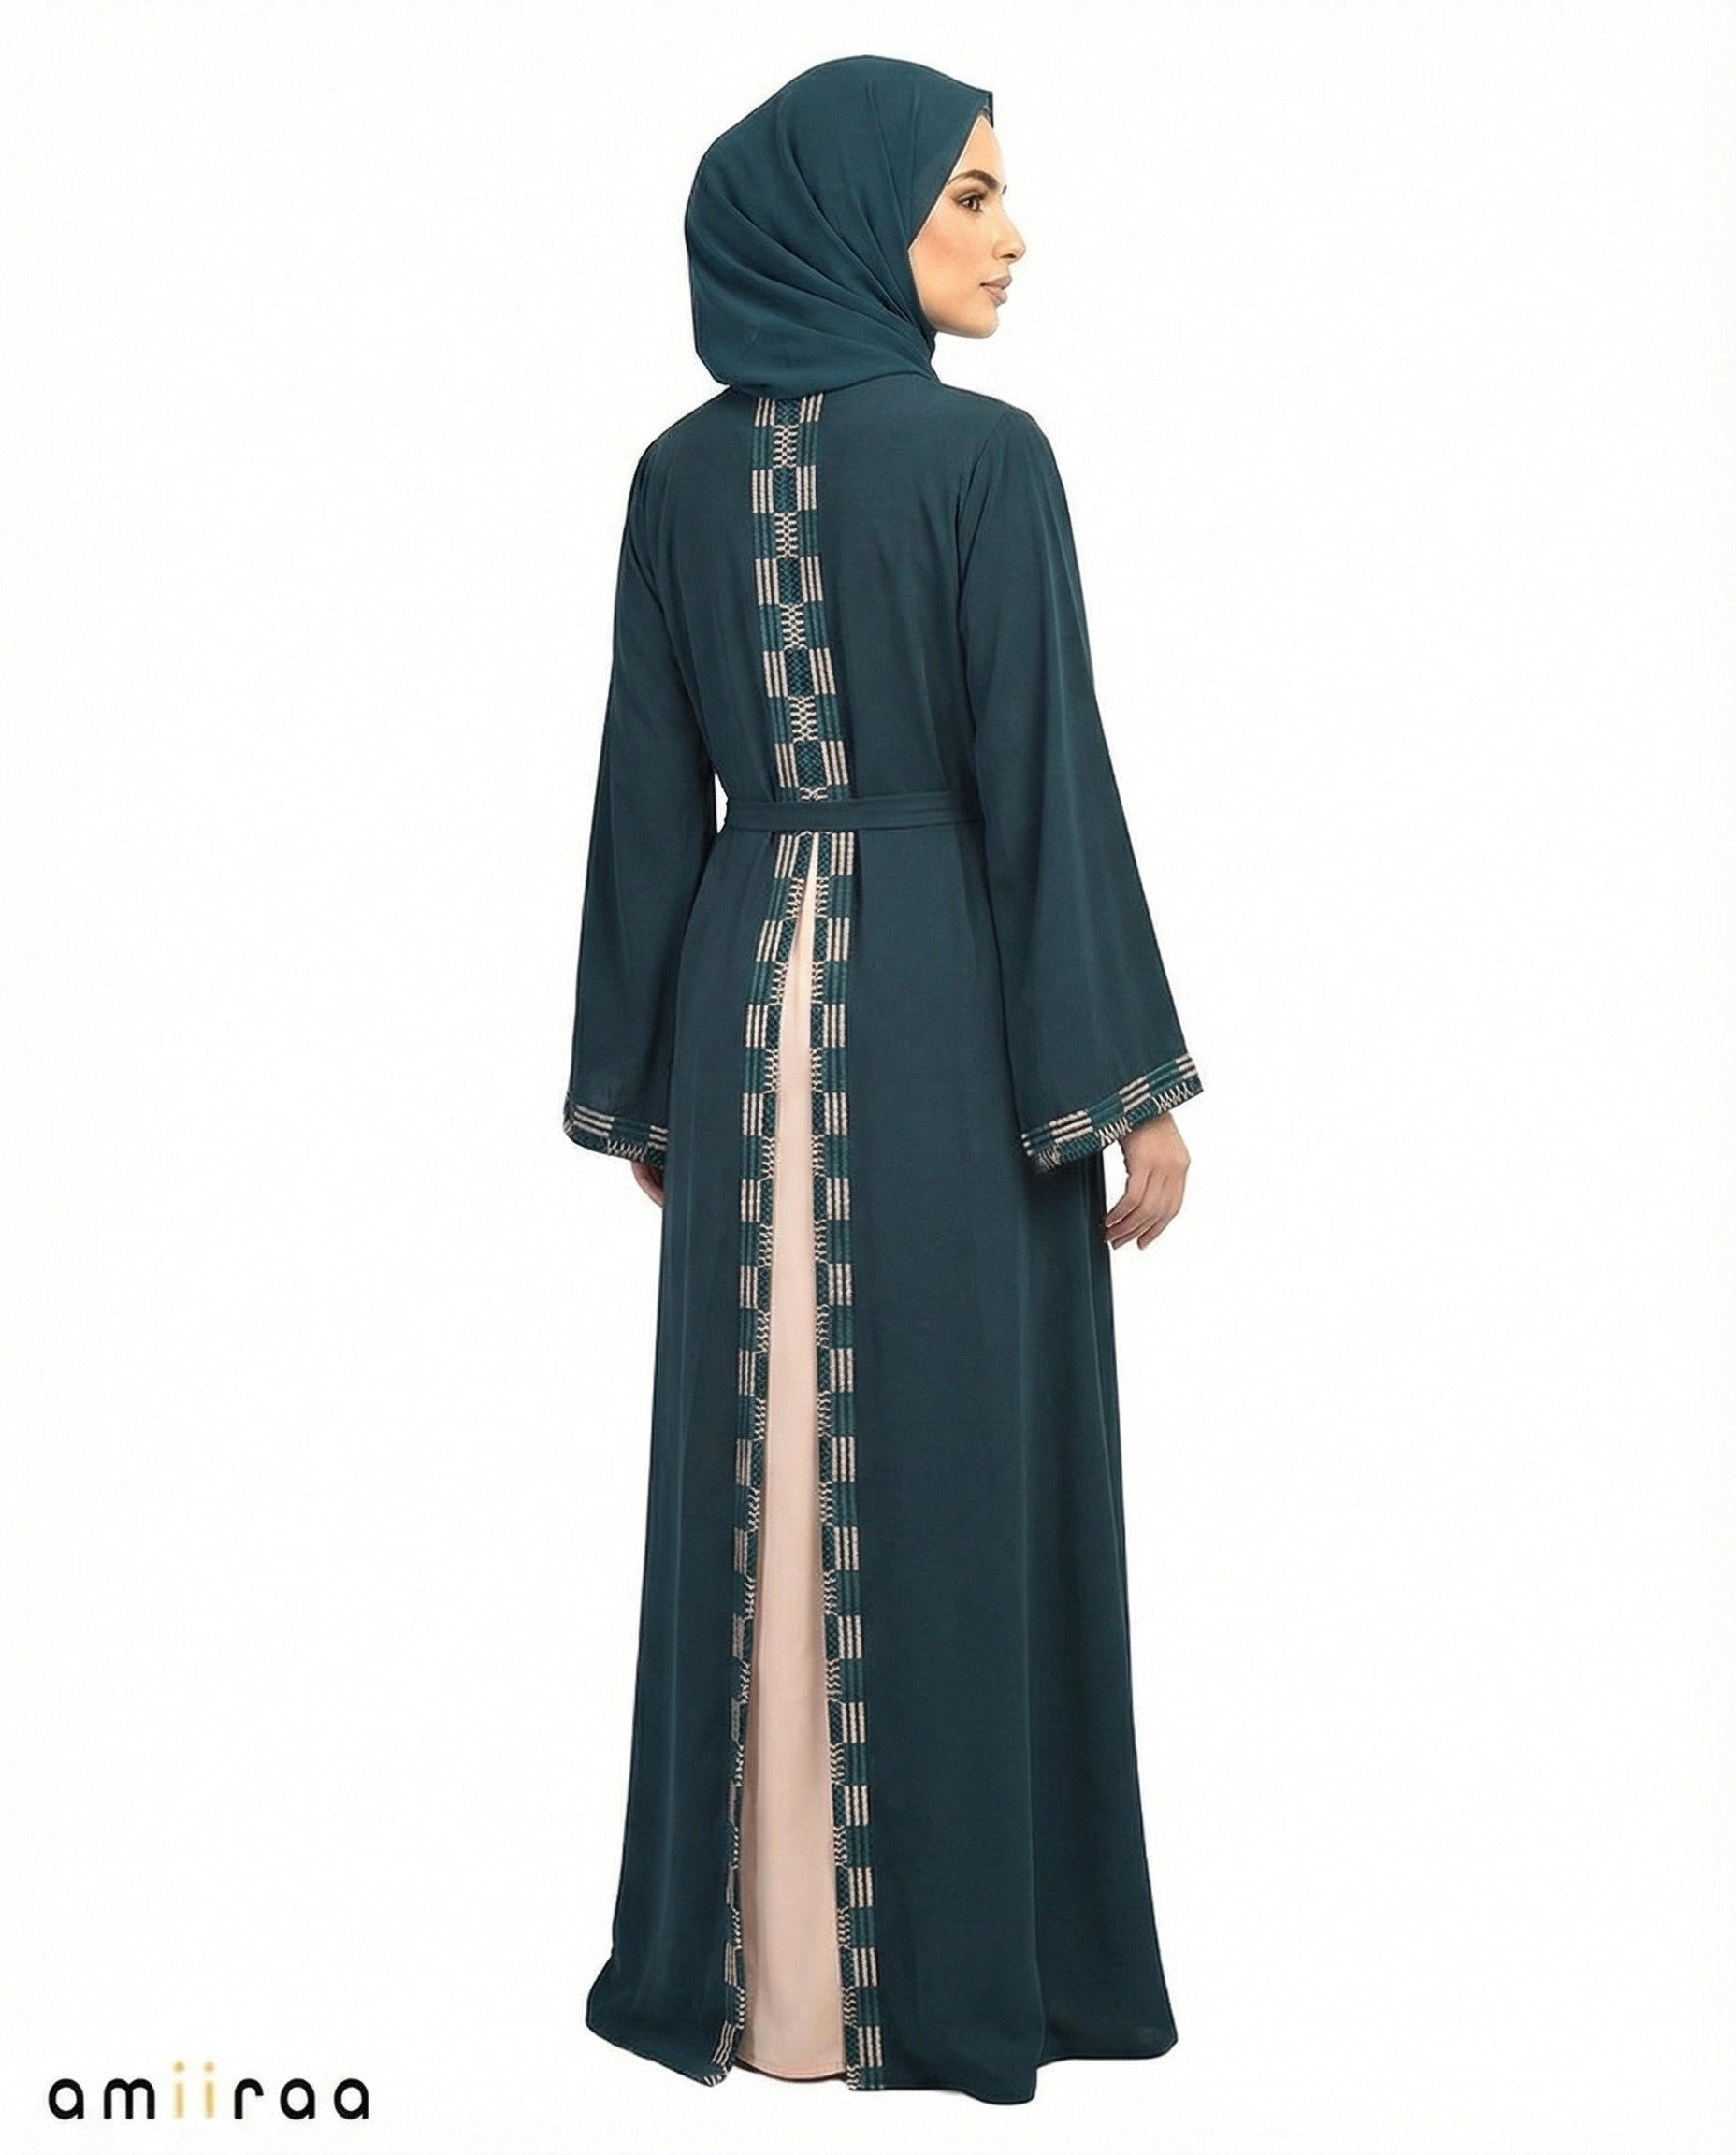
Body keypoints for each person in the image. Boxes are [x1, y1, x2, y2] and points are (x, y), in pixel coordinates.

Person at [562, 55, 1204, 2107]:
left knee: (766, 1452)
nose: (1012, 239)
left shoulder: (673, 478)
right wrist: (1124, 1081)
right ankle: (948, 1974)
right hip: (945, 1005)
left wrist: (644, 1083)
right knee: (955, 1457)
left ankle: (768, 1984)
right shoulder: (983, 461)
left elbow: (645, 801)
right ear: (856, 219)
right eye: (969, 198)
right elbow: (1041, 775)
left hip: (740, 987)